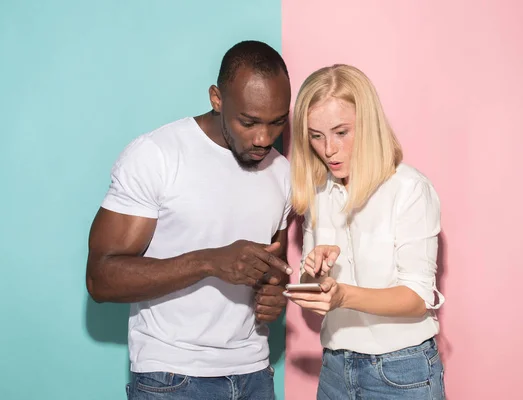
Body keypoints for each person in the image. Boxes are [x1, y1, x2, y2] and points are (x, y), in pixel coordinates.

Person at [86, 40, 294, 400]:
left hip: (254, 374)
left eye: (276, 123)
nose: (264, 139)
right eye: (249, 122)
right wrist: (209, 262)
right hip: (172, 377)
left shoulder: (282, 172)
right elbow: (100, 279)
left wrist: (275, 293)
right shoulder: (157, 156)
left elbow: (274, 264)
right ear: (217, 98)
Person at [285, 64, 446, 399]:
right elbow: (314, 296)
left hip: (402, 371)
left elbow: (417, 298)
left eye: (341, 132)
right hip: (334, 369)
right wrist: (315, 275)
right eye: (316, 135)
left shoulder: (409, 189)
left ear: (368, 124)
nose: (328, 149)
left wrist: (343, 295)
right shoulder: (316, 193)